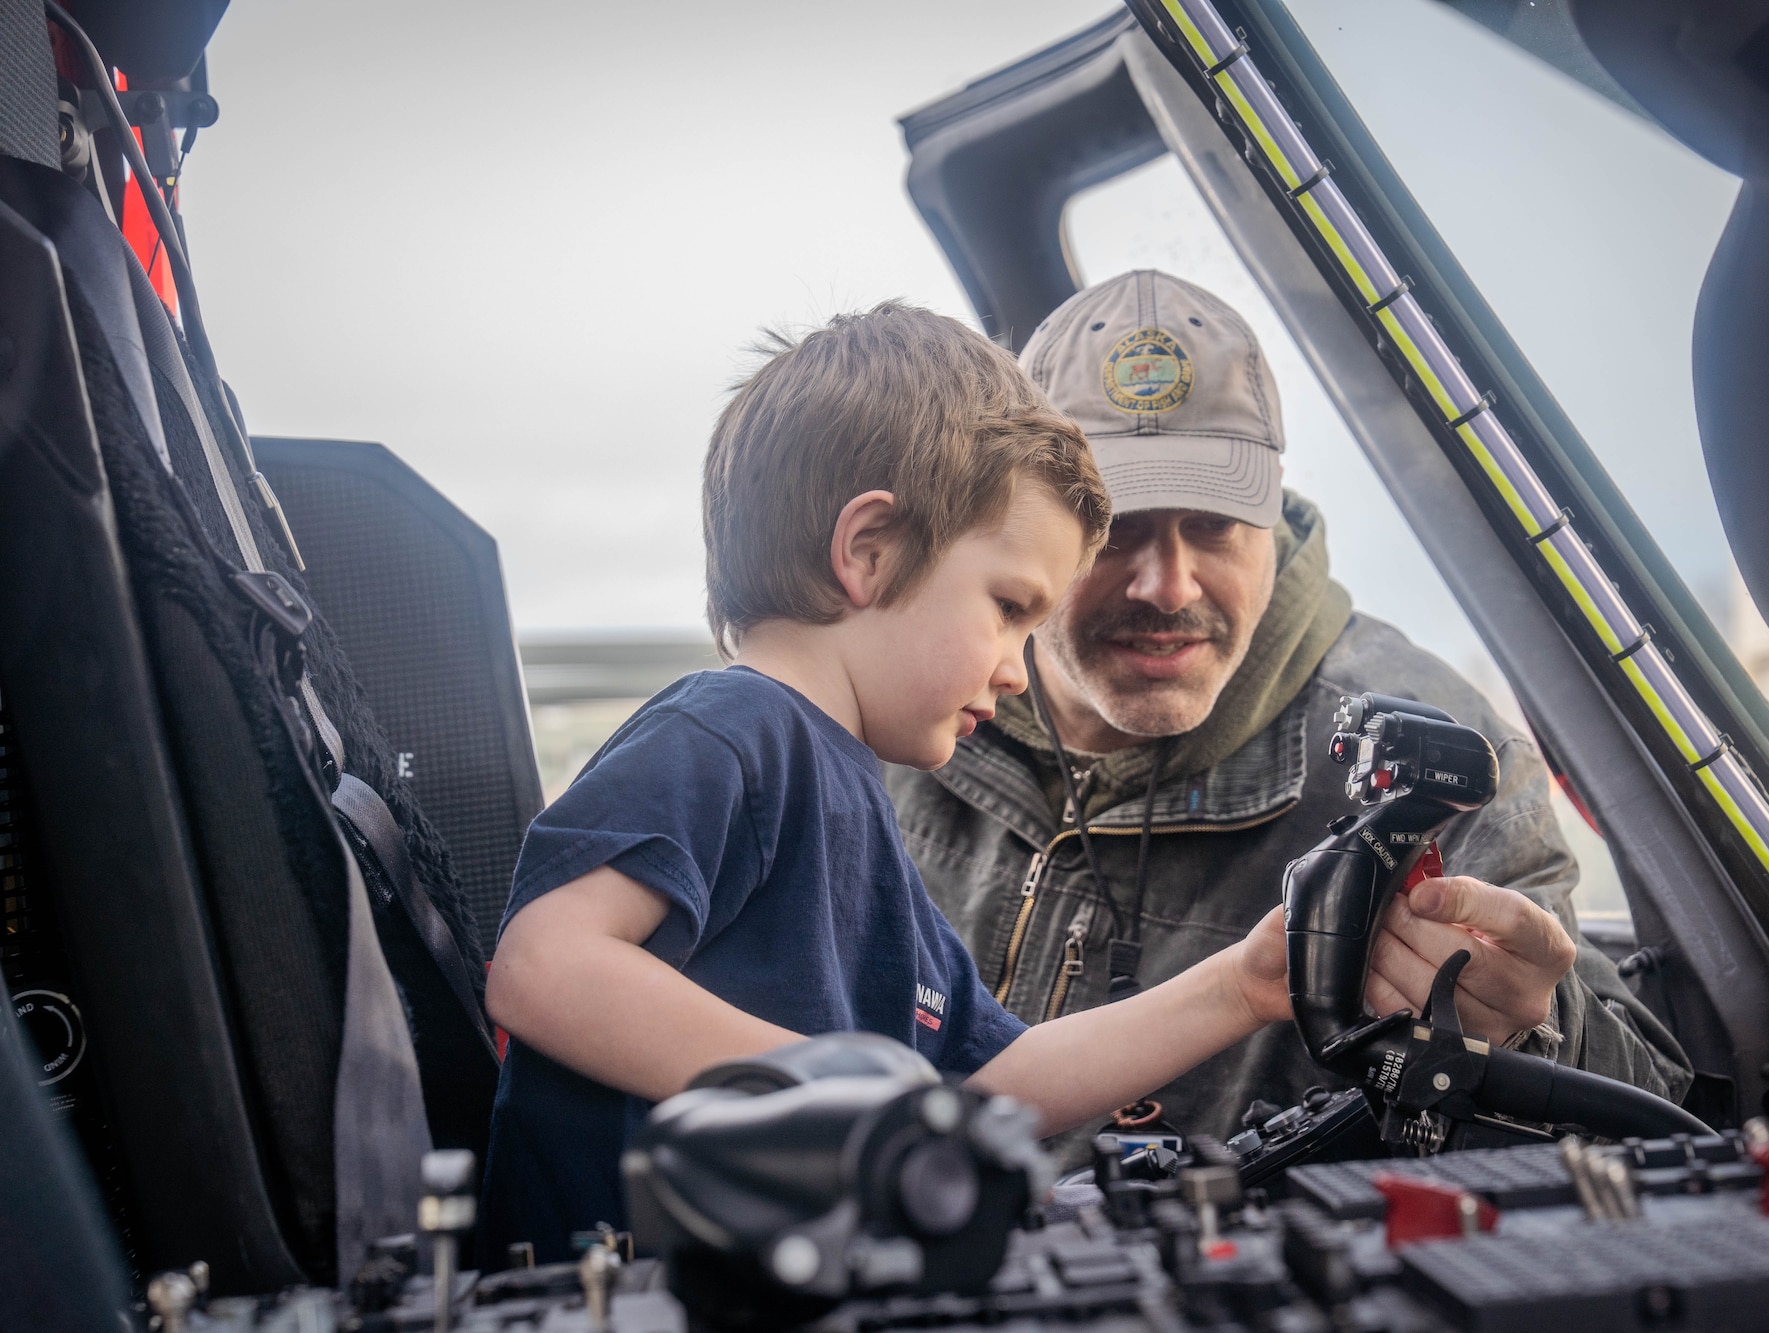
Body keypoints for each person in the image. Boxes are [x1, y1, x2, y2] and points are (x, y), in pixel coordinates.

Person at [476, 302, 1298, 1265]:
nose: (1016, 670)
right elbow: (544, 967)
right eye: (1007, 609)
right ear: (870, 551)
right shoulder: (733, 733)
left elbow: (993, 1081)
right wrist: (843, 1095)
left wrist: (1243, 984)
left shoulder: (850, 793)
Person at [886, 271, 1693, 1164]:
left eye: (1217, 524)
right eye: (1116, 529)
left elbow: (1650, 1109)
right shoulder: (892, 703)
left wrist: (1536, 1028)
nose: (1170, 584)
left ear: (1271, 507)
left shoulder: (1433, 764)